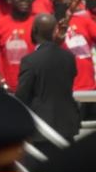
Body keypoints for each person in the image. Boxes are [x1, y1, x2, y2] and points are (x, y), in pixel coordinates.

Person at [16, 13, 81, 148]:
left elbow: (22, 96)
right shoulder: (68, 57)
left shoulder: (30, 60)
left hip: (42, 129)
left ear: (34, 30)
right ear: (54, 31)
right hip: (67, 126)